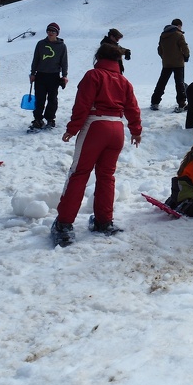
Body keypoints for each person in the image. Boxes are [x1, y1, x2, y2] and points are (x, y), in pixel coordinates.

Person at [51, 43, 142, 247]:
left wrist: (72, 129)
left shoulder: (94, 75)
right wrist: (136, 131)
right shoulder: (124, 81)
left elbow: (82, 104)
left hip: (95, 126)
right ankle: (104, 221)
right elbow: (133, 108)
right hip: (117, 129)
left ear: (99, 57)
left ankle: (64, 225)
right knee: (106, 176)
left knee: (79, 173)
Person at [29, 22, 69, 131]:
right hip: (41, 75)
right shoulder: (40, 44)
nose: (51, 33)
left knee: (52, 99)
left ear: (57, 33)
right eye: (49, 30)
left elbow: (64, 62)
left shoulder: (61, 46)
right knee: (39, 98)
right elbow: (36, 59)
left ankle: (50, 119)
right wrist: (33, 73)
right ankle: (38, 119)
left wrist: (64, 76)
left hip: (54, 76)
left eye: (53, 31)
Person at [151, 19, 190, 112]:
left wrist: (164, 58)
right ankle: (181, 104)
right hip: (178, 63)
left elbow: (159, 49)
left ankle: (155, 102)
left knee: (162, 82)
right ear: (178, 25)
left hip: (166, 63)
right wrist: (186, 56)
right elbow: (184, 47)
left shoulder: (163, 35)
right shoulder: (179, 34)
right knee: (179, 83)